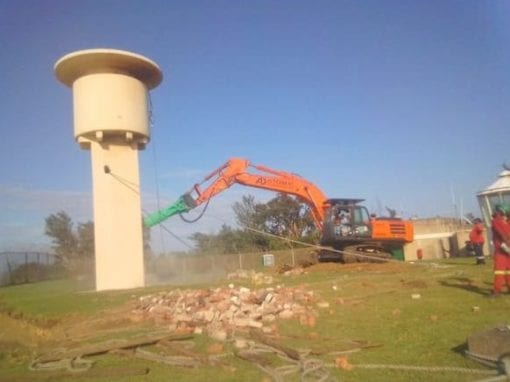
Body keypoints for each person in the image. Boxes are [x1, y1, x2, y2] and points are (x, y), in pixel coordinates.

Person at [489, 203, 510, 297]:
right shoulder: (507, 222)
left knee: (499, 270)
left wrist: (506, 243)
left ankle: (496, 291)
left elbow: (500, 232)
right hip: (507, 250)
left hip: (502, 249)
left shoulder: (496, 220)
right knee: (508, 270)